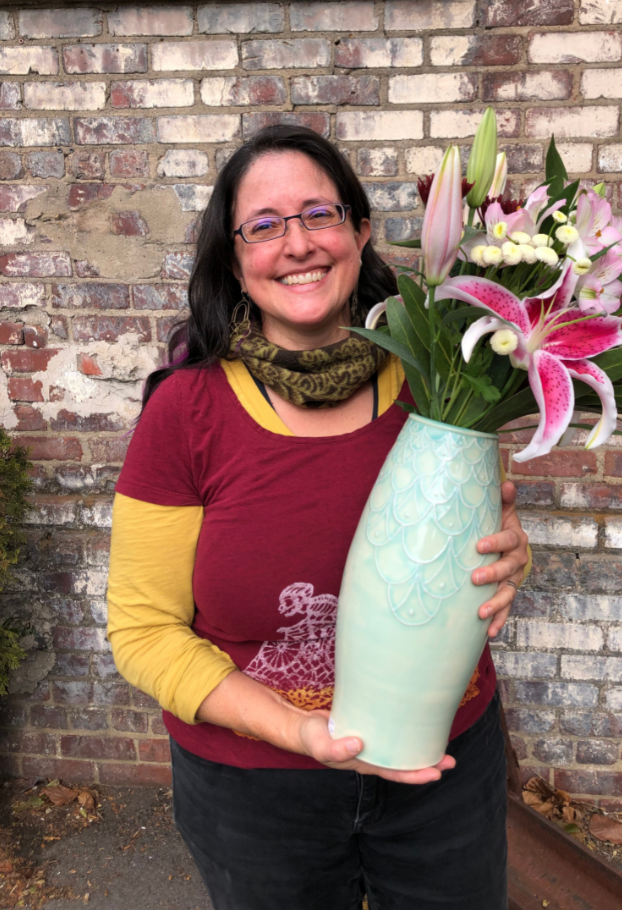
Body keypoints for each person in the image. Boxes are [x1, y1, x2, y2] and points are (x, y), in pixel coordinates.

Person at [106, 125, 531, 910]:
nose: (296, 244)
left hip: (441, 761)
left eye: (318, 215)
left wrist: (509, 562)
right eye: (264, 226)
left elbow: (472, 540)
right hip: (255, 791)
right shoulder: (185, 413)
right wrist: (295, 730)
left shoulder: (441, 386)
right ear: (234, 259)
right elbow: (141, 630)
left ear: (361, 233)